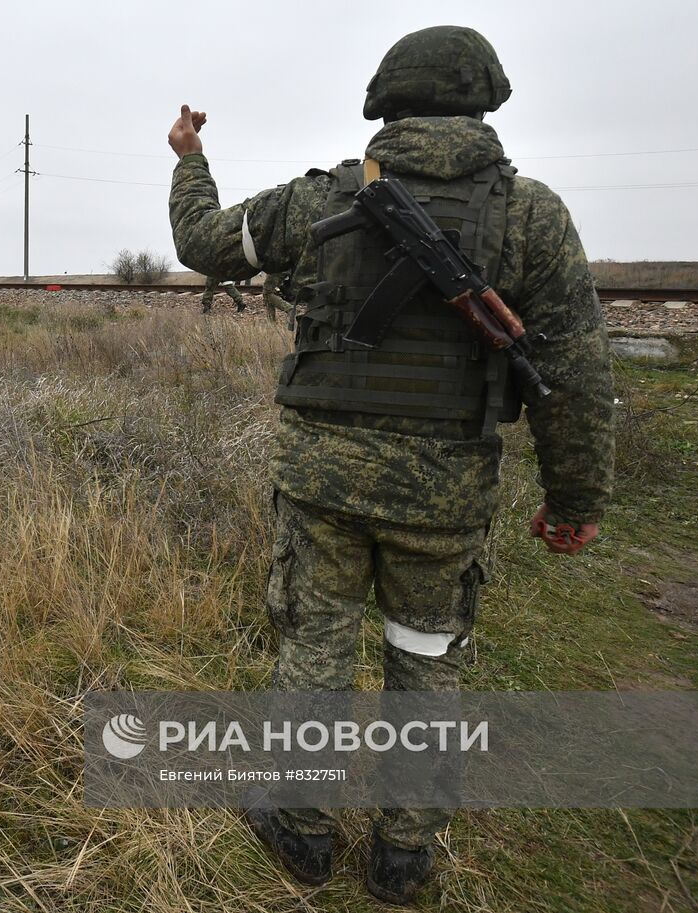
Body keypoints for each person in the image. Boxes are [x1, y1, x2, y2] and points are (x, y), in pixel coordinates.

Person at [168, 26, 613, 904]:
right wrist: (574, 500)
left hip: (322, 489)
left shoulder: (313, 203)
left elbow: (202, 242)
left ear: (386, 101)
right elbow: (577, 373)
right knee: (425, 662)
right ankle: (402, 856)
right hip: (444, 501)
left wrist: (190, 156)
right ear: (485, 100)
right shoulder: (532, 215)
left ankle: (299, 829)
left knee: (316, 649)